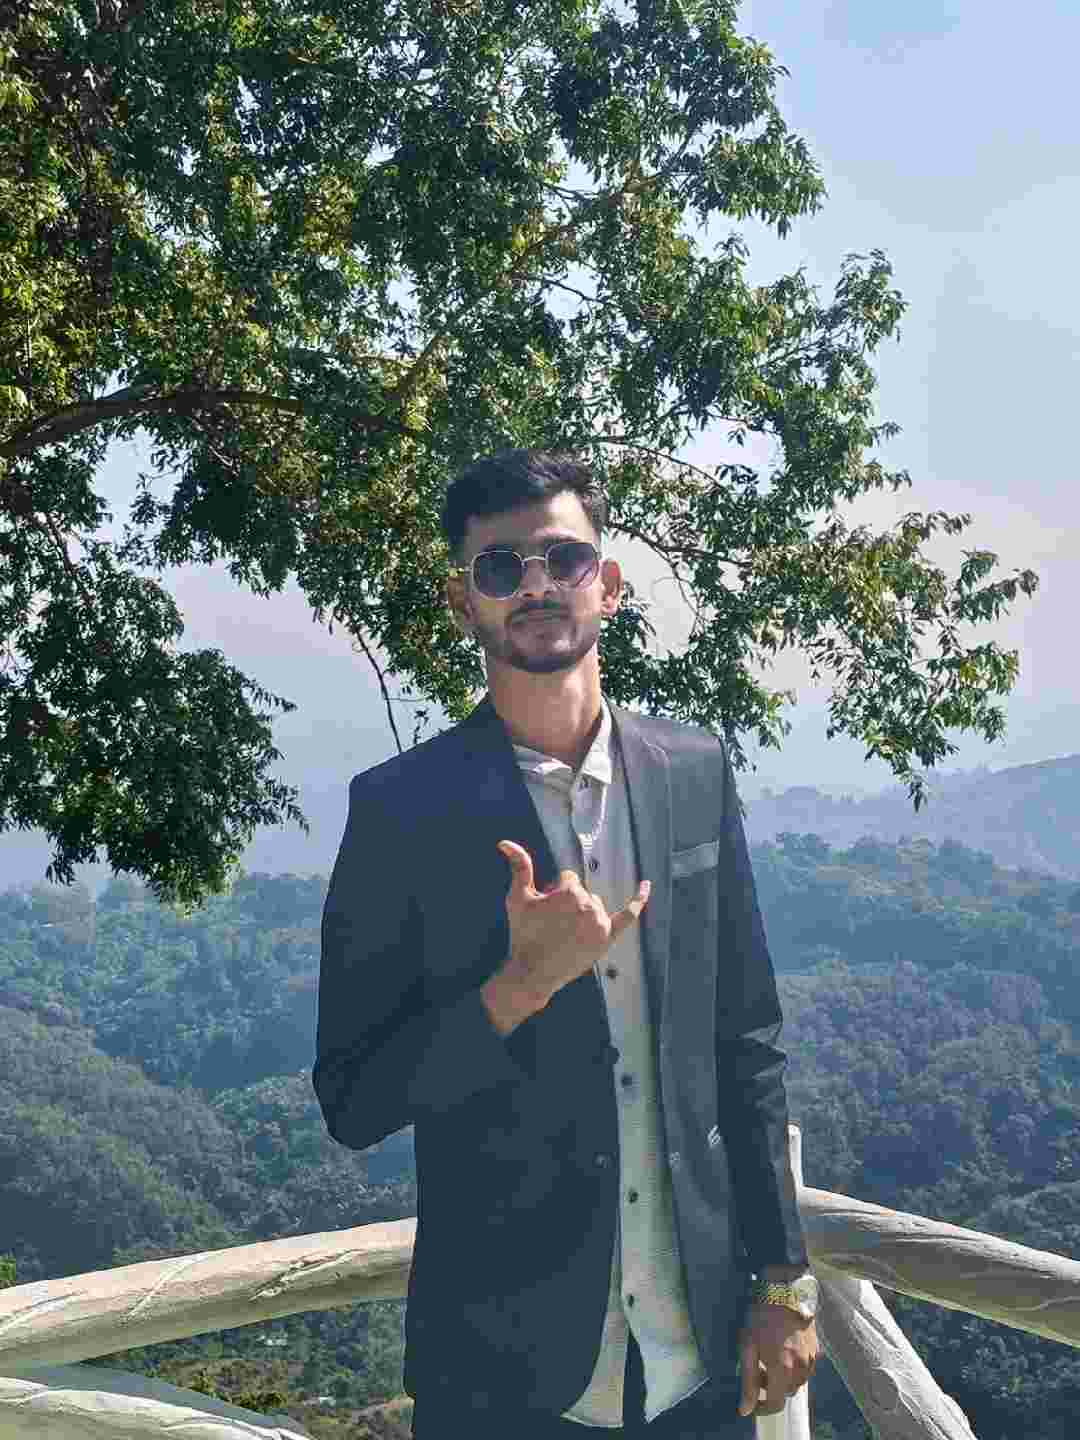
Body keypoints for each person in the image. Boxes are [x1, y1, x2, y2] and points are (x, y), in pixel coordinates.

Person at [313, 449, 819, 1438]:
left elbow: (746, 1041)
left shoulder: (693, 772)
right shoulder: (400, 812)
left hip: (699, 1359)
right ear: (464, 602)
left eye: (565, 558)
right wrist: (516, 990)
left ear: (609, 584)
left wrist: (784, 1281)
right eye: (502, 567)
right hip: (501, 1375)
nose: (537, 584)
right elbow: (354, 1099)